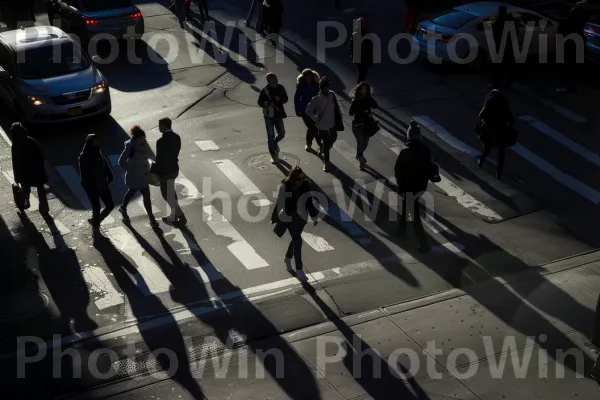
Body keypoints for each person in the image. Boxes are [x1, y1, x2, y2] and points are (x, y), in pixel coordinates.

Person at [271, 166, 318, 282]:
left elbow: (309, 202)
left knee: (296, 239)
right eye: (300, 179)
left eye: (303, 178)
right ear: (294, 179)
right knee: (298, 240)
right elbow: (279, 203)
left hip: (301, 218)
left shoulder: (305, 186)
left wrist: (314, 215)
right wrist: (274, 218)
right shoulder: (286, 187)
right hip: (289, 219)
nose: (302, 180)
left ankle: (287, 257)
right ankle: (299, 269)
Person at [394, 121, 432, 253]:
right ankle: (401, 230)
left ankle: (424, 244)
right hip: (421, 186)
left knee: (414, 215)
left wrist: (400, 185)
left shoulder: (405, 152)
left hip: (409, 186)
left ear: (409, 136)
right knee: (407, 204)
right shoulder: (426, 150)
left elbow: (398, 170)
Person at [117, 125, 159, 229]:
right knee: (132, 192)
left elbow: (151, 154)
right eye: (141, 138)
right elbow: (121, 161)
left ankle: (151, 218)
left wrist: (159, 163)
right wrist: (132, 169)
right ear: (136, 138)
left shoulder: (144, 143)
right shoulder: (130, 147)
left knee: (144, 196)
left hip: (144, 175)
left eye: (144, 138)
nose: (143, 140)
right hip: (135, 176)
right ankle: (123, 207)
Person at [79, 134, 115, 238]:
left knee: (110, 205)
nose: (98, 142)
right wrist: (92, 187)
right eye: (96, 141)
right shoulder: (84, 156)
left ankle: (95, 221)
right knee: (96, 207)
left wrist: (110, 176)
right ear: (90, 143)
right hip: (92, 187)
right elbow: (85, 175)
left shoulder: (98, 152)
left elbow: (105, 164)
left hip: (103, 184)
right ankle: (96, 227)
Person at [153, 117, 187, 226]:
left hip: (165, 172)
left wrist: (154, 171)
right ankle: (173, 215)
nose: (159, 128)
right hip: (174, 169)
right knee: (171, 192)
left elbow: (159, 159)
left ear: (163, 126)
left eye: (159, 126)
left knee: (167, 194)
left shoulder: (160, 141)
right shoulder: (177, 137)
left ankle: (181, 217)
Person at [10, 122, 49, 214]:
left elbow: (15, 162)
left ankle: (25, 202)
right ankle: (43, 208)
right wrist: (41, 166)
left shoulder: (15, 145)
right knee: (40, 189)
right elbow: (39, 155)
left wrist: (17, 177)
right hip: (36, 169)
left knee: (25, 188)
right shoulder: (30, 140)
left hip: (23, 171)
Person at [305, 77, 342, 172]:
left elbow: (336, 106)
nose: (327, 89)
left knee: (333, 137)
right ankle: (326, 162)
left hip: (332, 123)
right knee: (326, 143)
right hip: (321, 125)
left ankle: (322, 147)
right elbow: (308, 110)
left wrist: (339, 113)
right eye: (325, 87)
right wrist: (315, 118)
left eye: (328, 87)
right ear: (321, 88)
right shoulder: (316, 98)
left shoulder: (332, 94)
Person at [477, 89, 515, 180]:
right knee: (501, 153)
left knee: (487, 149)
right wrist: (508, 127)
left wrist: (486, 121)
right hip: (502, 132)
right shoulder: (504, 107)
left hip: (490, 130)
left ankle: (481, 162)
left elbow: (481, 115)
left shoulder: (489, 104)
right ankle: (499, 173)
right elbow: (512, 120)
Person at [556, 1, 589, 93]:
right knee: (573, 69)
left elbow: (560, 34)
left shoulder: (565, 22)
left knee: (566, 68)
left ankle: (563, 85)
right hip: (574, 47)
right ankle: (570, 86)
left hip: (567, 47)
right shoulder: (579, 25)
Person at [258, 73, 288, 164]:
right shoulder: (265, 90)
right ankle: (273, 155)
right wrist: (266, 104)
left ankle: (275, 143)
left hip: (278, 115)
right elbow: (259, 102)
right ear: (269, 81)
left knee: (282, 133)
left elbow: (286, 99)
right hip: (269, 116)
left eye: (276, 79)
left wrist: (280, 99)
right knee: (270, 136)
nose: (275, 81)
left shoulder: (280, 88)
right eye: (273, 80)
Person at [349, 82, 378, 170]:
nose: (364, 91)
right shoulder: (355, 100)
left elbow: (375, 106)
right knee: (360, 142)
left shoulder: (368, 99)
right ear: (359, 90)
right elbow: (350, 112)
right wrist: (360, 110)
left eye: (365, 89)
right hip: (358, 125)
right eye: (362, 89)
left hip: (367, 124)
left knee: (365, 143)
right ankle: (361, 161)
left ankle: (359, 155)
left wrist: (369, 98)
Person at [489, 6, 517, 88]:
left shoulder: (498, 21)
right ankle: (509, 81)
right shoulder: (510, 20)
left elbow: (495, 33)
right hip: (508, 45)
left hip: (501, 45)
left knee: (497, 65)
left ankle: (497, 82)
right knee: (509, 64)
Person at [294, 69, 321, 152]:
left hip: (315, 110)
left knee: (314, 127)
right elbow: (296, 98)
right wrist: (297, 109)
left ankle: (309, 144)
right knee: (312, 127)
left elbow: (320, 96)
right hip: (304, 110)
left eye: (309, 77)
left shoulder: (316, 85)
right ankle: (320, 145)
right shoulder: (300, 85)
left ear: (312, 77)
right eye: (306, 77)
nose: (307, 79)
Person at [349, 18, 374, 84]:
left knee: (362, 73)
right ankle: (359, 87)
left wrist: (352, 56)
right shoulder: (368, 34)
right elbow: (371, 48)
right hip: (364, 58)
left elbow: (351, 47)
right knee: (363, 73)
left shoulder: (355, 34)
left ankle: (359, 87)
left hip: (359, 58)